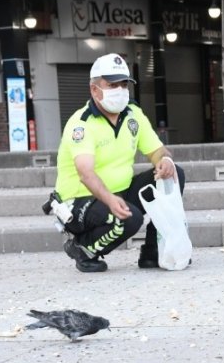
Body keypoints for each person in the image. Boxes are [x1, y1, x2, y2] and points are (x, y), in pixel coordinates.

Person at [53, 53, 185, 272]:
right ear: (94, 89)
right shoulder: (81, 124)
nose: (120, 91)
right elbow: (85, 173)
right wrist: (110, 200)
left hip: (119, 192)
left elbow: (156, 150)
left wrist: (165, 160)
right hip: (78, 201)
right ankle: (83, 248)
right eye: (112, 84)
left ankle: (153, 251)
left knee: (174, 174)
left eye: (124, 84)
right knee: (129, 218)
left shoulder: (133, 114)